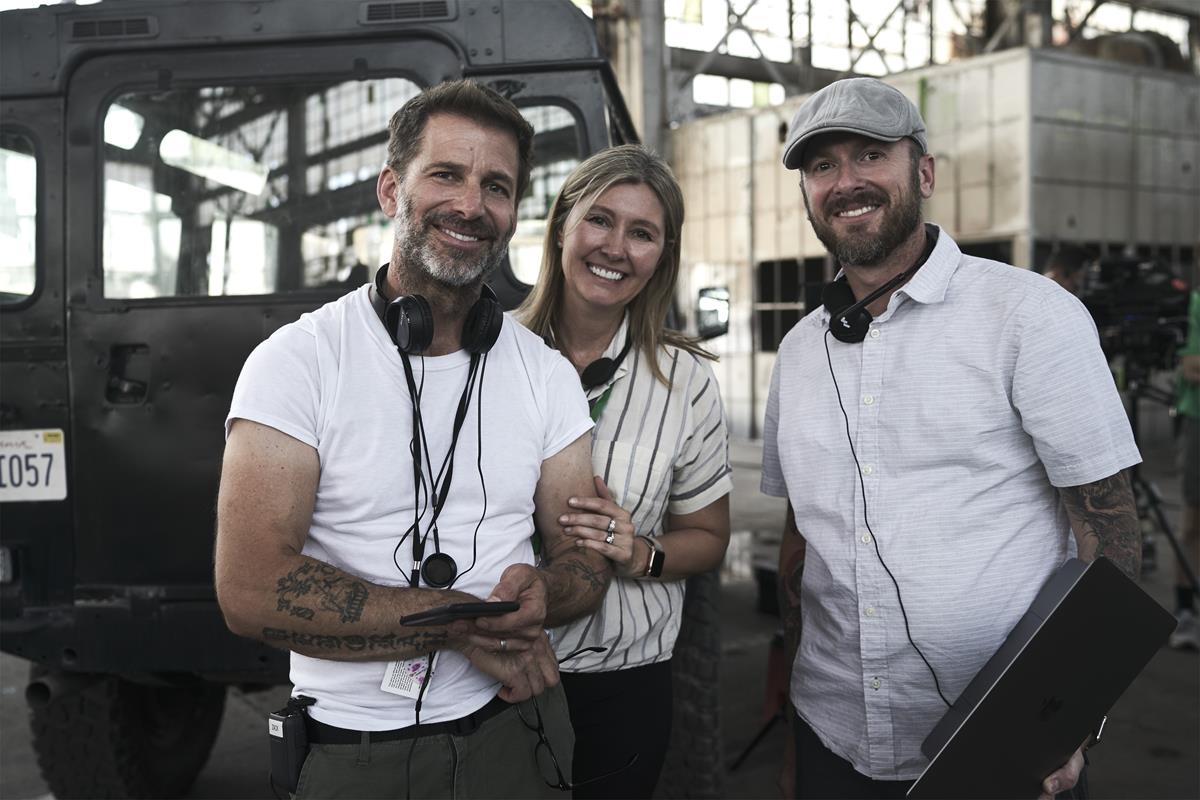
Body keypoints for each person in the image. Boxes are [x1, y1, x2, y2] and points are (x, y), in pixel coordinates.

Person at [214, 79, 613, 799]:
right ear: (391, 190)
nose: (470, 204)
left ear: (514, 211)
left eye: (496, 185)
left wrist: (547, 592)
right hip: (354, 755)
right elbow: (249, 589)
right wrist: (460, 623)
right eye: (446, 175)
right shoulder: (297, 362)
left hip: (517, 735)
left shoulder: (545, 375)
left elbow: (585, 558)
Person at [764, 77, 1141, 800]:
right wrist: (793, 743)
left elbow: (1110, 532)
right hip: (829, 737)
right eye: (821, 166)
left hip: (1000, 751)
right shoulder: (801, 351)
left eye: (871, 154)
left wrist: (1073, 719)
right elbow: (798, 543)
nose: (845, 182)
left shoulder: (1031, 316)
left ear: (925, 173)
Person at [515, 144, 732, 799]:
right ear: (561, 226)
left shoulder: (685, 381)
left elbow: (710, 536)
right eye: (600, 220)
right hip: (497, 676)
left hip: (623, 685)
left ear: (661, 257)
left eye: (642, 233)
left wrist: (638, 551)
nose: (616, 247)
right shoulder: (489, 358)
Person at [1169, 284, 1200, 650]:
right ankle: (1185, 610)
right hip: (1198, 422)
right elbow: (1192, 367)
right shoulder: (1194, 303)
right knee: (1193, 521)